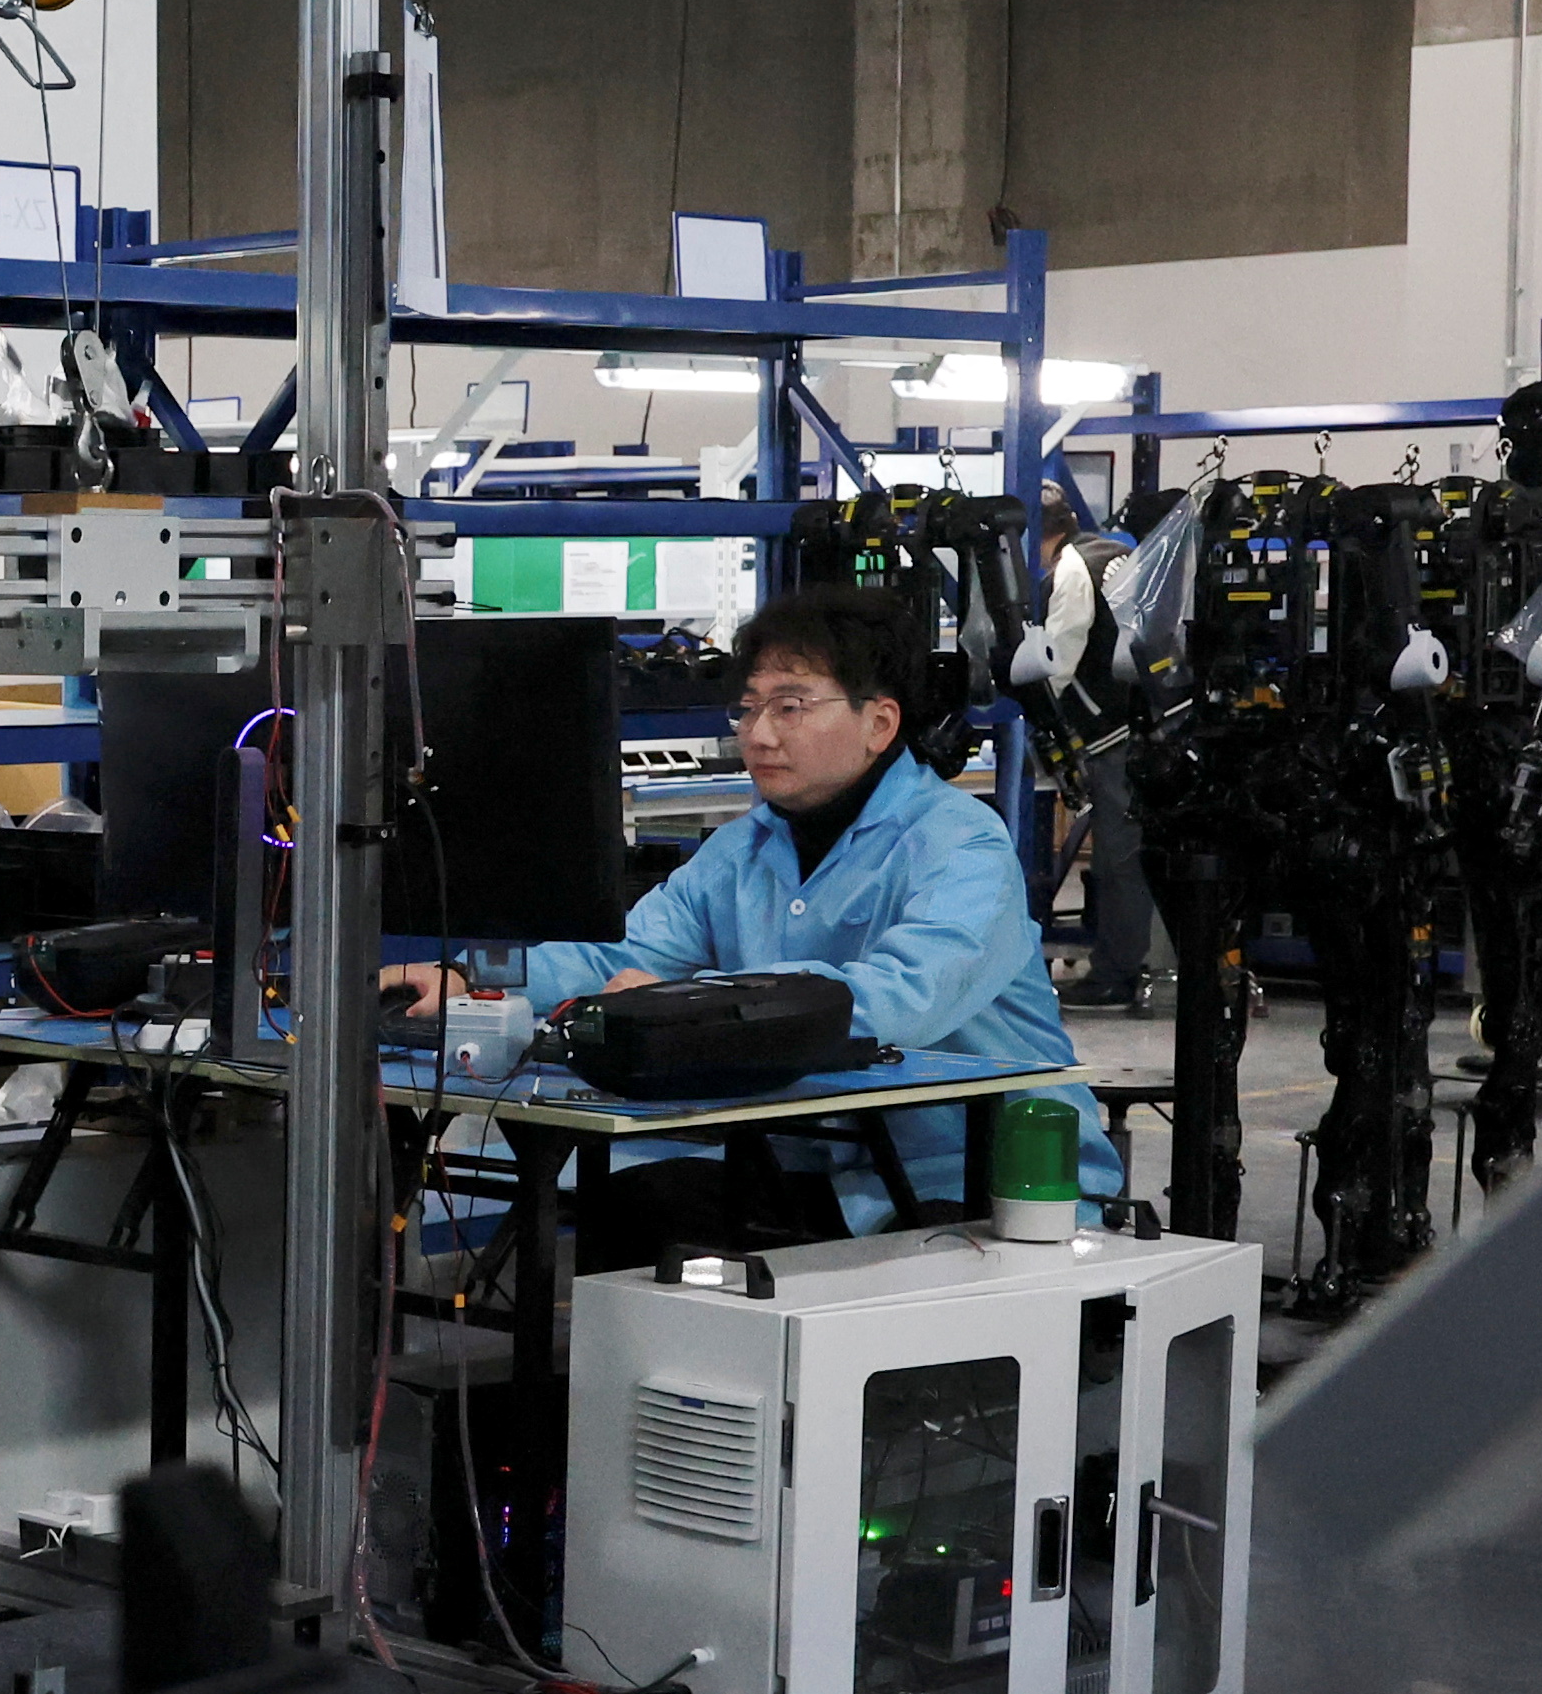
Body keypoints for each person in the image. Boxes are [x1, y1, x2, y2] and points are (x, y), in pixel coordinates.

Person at [388, 587, 1106, 1255]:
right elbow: (625, 956)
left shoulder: (961, 845)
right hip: (809, 1160)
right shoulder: (742, 850)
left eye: (790, 707)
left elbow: (900, 999)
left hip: (978, 1179)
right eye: (749, 707)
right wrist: (468, 979)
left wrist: (698, 1004)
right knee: (635, 1201)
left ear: (879, 722)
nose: (758, 734)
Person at [1025, 481, 1157, 1012]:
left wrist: (1031, 707)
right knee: (1131, 855)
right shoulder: (1117, 553)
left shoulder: (1073, 569)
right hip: (1148, 722)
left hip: (1113, 732)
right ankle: (1125, 964)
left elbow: (1057, 656)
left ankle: (1117, 975)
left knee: (1119, 858)